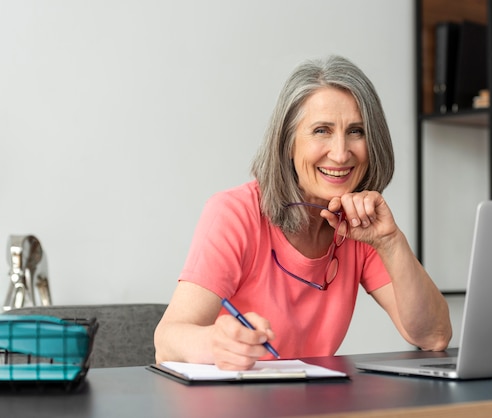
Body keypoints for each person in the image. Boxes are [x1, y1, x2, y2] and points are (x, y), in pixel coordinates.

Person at [154, 55, 452, 370]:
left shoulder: (361, 226)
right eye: (322, 130)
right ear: (288, 142)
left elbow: (433, 336)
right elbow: (167, 340)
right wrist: (216, 344)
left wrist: (390, 242)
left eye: (356, 131)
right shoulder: (235, 213)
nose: (340, 153)